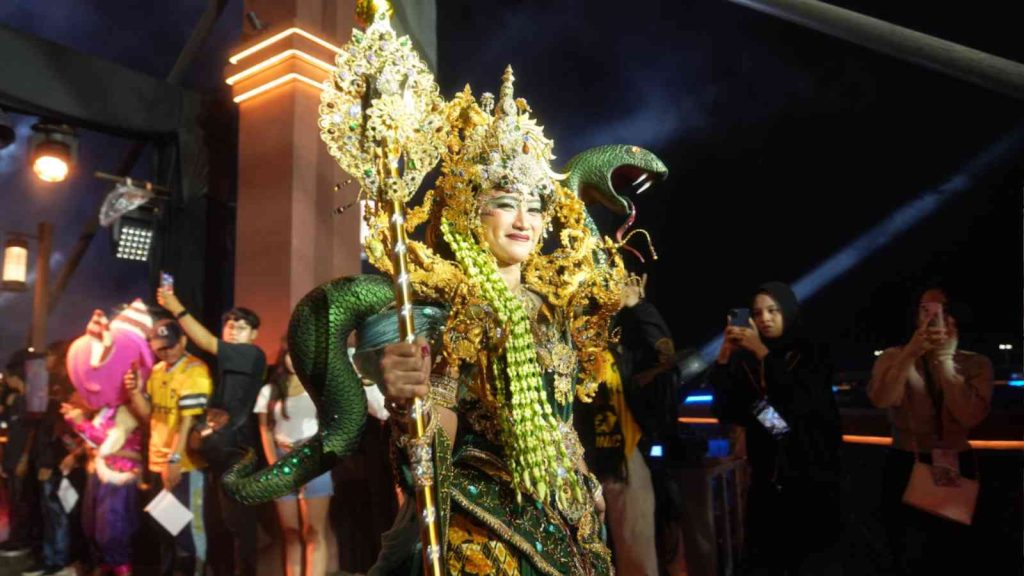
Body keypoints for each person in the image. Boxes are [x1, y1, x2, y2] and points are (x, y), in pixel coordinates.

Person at [367, 67, 622, 575]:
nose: (524, 221)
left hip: (570, 516)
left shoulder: (552, 307)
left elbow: (559, 421)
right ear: (470, 210)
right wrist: (411, 405)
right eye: (506, 204)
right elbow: (439, 423)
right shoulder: (451, 306)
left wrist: (584, 481)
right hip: (488, 520)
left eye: (534, 206)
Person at [709, 282, 841, 575]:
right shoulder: (748, 362)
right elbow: (724, 410)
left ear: (788, 311)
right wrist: (725, 355)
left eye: (773, 310)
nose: (764, 318)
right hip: (767, 482)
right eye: (757, 313)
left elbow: (802, 404)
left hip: (810, 481)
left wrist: (761, 352)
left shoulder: (810, 352)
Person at [868, 286, 993, 575]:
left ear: (955, 317)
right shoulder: (893, 357)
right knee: (904, 551)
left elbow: (969, 416)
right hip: (906, 459)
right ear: (914, 316)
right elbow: (882, 399)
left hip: (955, 461)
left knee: (951, 553)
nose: (933, 318)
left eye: (942, 310)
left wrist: (946, 362)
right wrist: (910, 354)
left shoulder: (975, 362)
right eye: (925, 310)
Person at [155, 287, 266, 576]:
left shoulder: (251, 354)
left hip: (239, 457)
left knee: (238, 524)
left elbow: (205, 341)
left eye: (242, 327)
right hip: (216, 455)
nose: (233, 330)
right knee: (219, 524)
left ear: (254, 334)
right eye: (229, 325)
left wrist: (176, 307)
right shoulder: (211, 367)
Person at [130, 319, 212, 576]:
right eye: (160, 348)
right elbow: (150, 415)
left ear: (183, 341)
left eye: (170, 346)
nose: (165, 352)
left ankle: (196, 571)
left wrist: (175, 458)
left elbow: (189, 420)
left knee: (189, 528)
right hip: (158, 460)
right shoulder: (157, 371)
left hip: (184, 464)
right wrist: (134, 392)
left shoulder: (195, 371)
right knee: (166, 526)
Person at [254, 346, 333, 576]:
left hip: (313, 457)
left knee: (313, 531)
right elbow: (265, 430)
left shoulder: (318, 386)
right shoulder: (269, 391)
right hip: (282, 458)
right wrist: (274, 466)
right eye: (291, 353)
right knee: (290, 532)